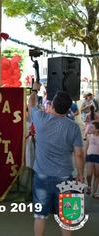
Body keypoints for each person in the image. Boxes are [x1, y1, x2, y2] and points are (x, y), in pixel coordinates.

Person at [28, 82, 84, 236]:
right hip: (65, 177)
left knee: (40, 215)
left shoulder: (40, 118)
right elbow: (79, 155)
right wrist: (80, 174)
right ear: (68, 109)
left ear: (52, 105)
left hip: (41, 176)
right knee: (66, 216)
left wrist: (34, 89)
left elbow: (31, 104)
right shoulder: (73, 127)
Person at [84, 120, 99, 199]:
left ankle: (95, 192)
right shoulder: (89, 136)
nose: (90, 128)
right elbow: (86, 147)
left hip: (98, 157)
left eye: (92, 127)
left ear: (97, 129)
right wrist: (84, 156)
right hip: (90, 155)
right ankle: (89, 186)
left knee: (97, 175)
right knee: (89, 174)